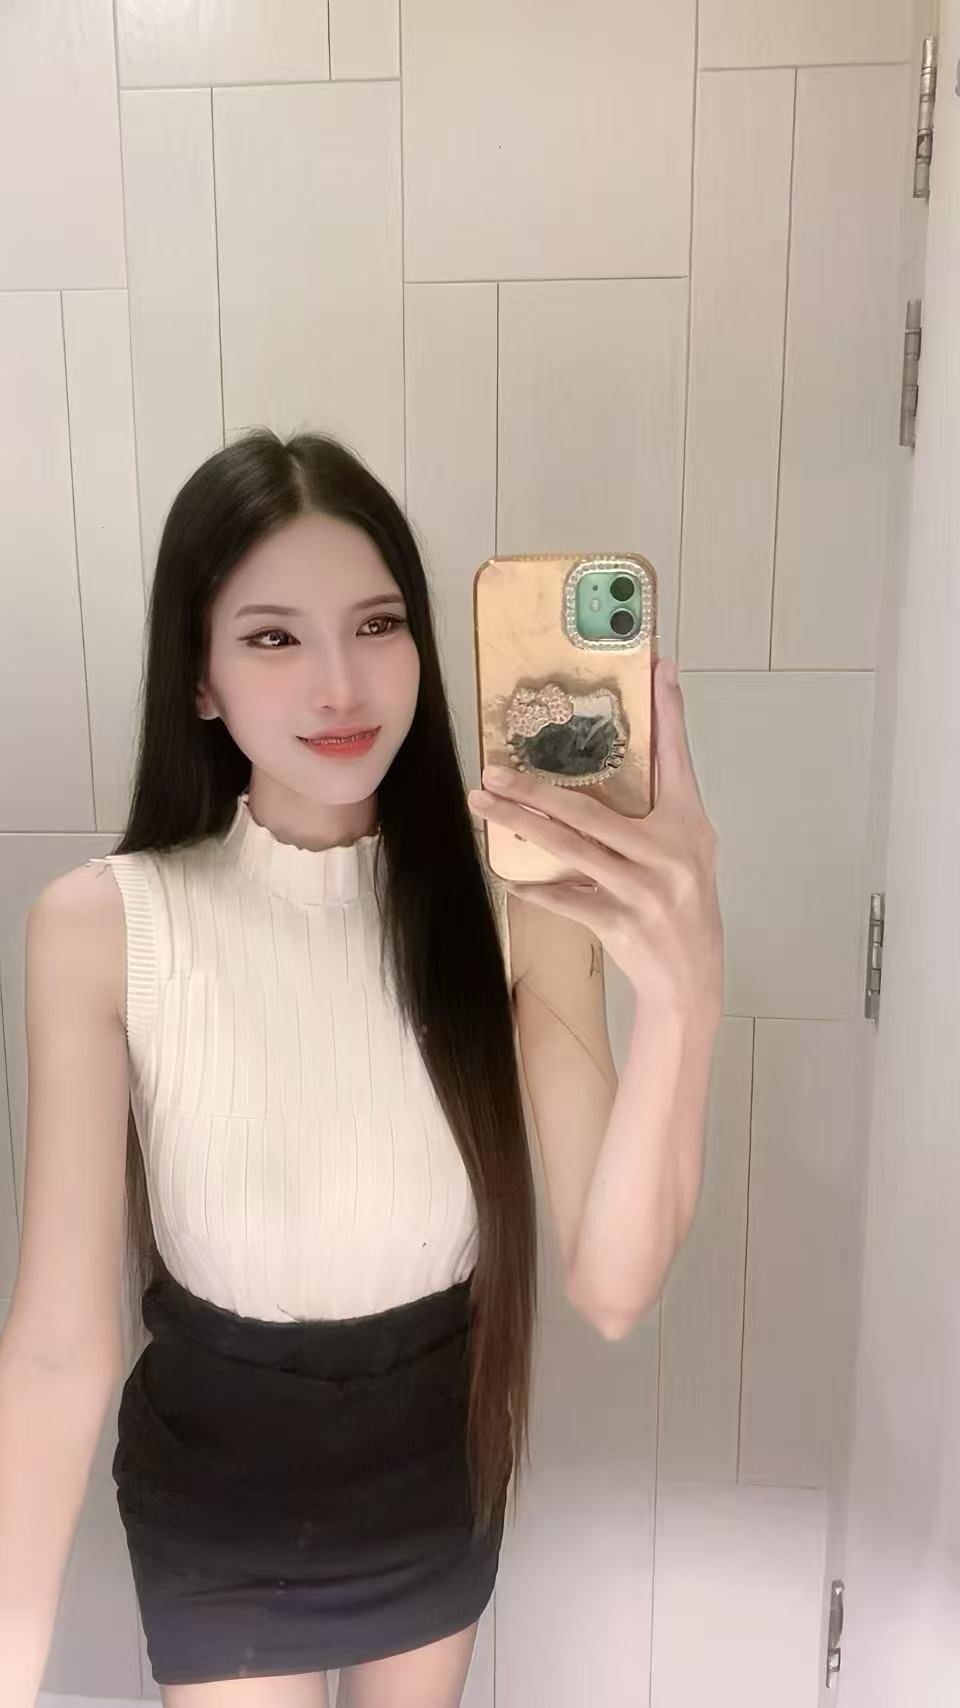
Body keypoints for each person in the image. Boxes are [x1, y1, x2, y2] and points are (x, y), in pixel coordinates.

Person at [3, 430, 638, 1708]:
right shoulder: (101, 926)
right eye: (273, 637)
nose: (341, 684)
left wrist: (683, 982)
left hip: (433, 1464)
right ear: (199, 678)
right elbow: (61, 1346)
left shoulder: (515, 907)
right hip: (217, 1490)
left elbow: (614, 1286)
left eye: (378, 624)